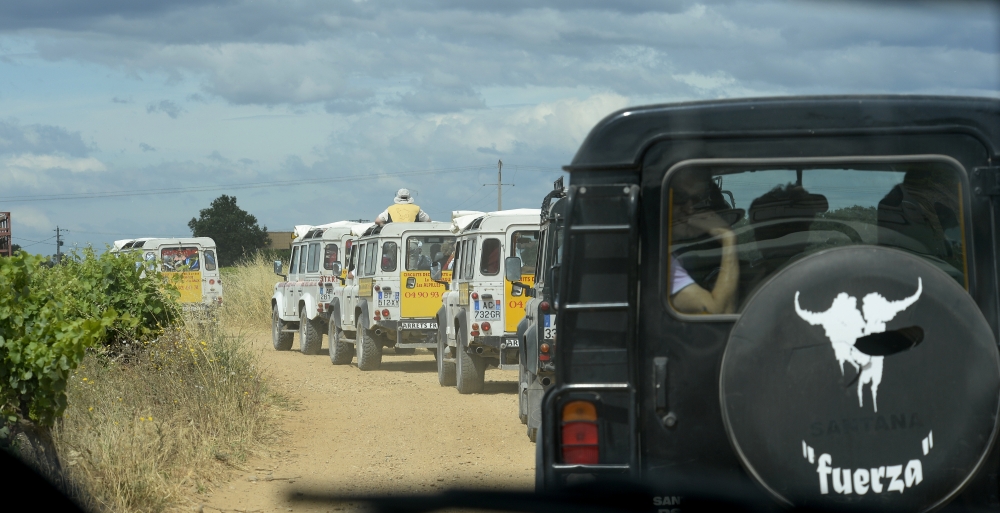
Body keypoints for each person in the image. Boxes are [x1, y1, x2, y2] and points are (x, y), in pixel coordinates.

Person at [668, 170, 739, 315]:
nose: (690, 209)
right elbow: (719, 314)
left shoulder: (674, 254)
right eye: (680, 198)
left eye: (697, 201)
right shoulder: (659, 260)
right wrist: (728, 237)